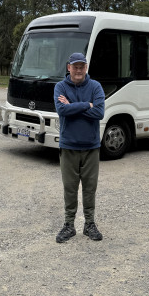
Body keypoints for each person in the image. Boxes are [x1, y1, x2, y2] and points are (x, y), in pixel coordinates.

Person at [54, 52, 105, 243]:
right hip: (69, 147)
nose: (78, 70)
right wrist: (87, 105)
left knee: (90, 188)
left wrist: (74, 106)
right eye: (75, 66)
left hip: (91, 147)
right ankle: (69, 225)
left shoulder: (95, 86)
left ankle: (89, 224)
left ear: (86, 68)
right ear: (69, 67)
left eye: (81, 66)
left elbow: (99, 112)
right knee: (70, 187)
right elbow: (62, 110)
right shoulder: (60, 87)